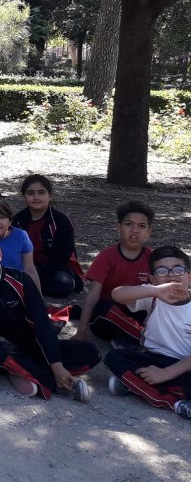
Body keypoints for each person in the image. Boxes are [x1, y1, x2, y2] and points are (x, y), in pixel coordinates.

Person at [0, 231, 99, 400]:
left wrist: (57, 365)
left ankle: (24, 372)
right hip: (0, 351)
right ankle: (54, 382)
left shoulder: (21, 280)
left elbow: (42, 323)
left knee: (90, 352)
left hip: (32, 345)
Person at [103, 245, 191, 421]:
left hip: (184, 365)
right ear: (153, 279)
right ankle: (174, 396)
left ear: (189, 276)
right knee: (114, 357)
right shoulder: (153, 295)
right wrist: (154, 291)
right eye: (162, 271)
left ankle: (170, 401)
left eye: (178, 269)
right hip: (153, 359)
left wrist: (165, 373)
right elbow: (117, 294)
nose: (171, 275)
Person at [73, 201, 154, 346]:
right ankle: (141, 337)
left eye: (142, 226)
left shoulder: (153, 258)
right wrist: (81, 331)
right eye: (128, 224)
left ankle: (125, 338)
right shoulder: (106, 256)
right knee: (104, 309)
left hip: (138, 312)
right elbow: (93, 295)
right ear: (119, 227)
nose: (135, 230)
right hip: (108, 315)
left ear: (149, 232)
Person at [11, 175, 85, 298]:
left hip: (52, 269)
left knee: (64, 283)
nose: (36, 197)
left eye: (41, 193)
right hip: (24, 267)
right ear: (24, 196)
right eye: (30, 193)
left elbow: (62, 258)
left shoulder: (61, 221)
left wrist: (36, 273)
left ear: (49, 196)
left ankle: (28, 285)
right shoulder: (17, 220)